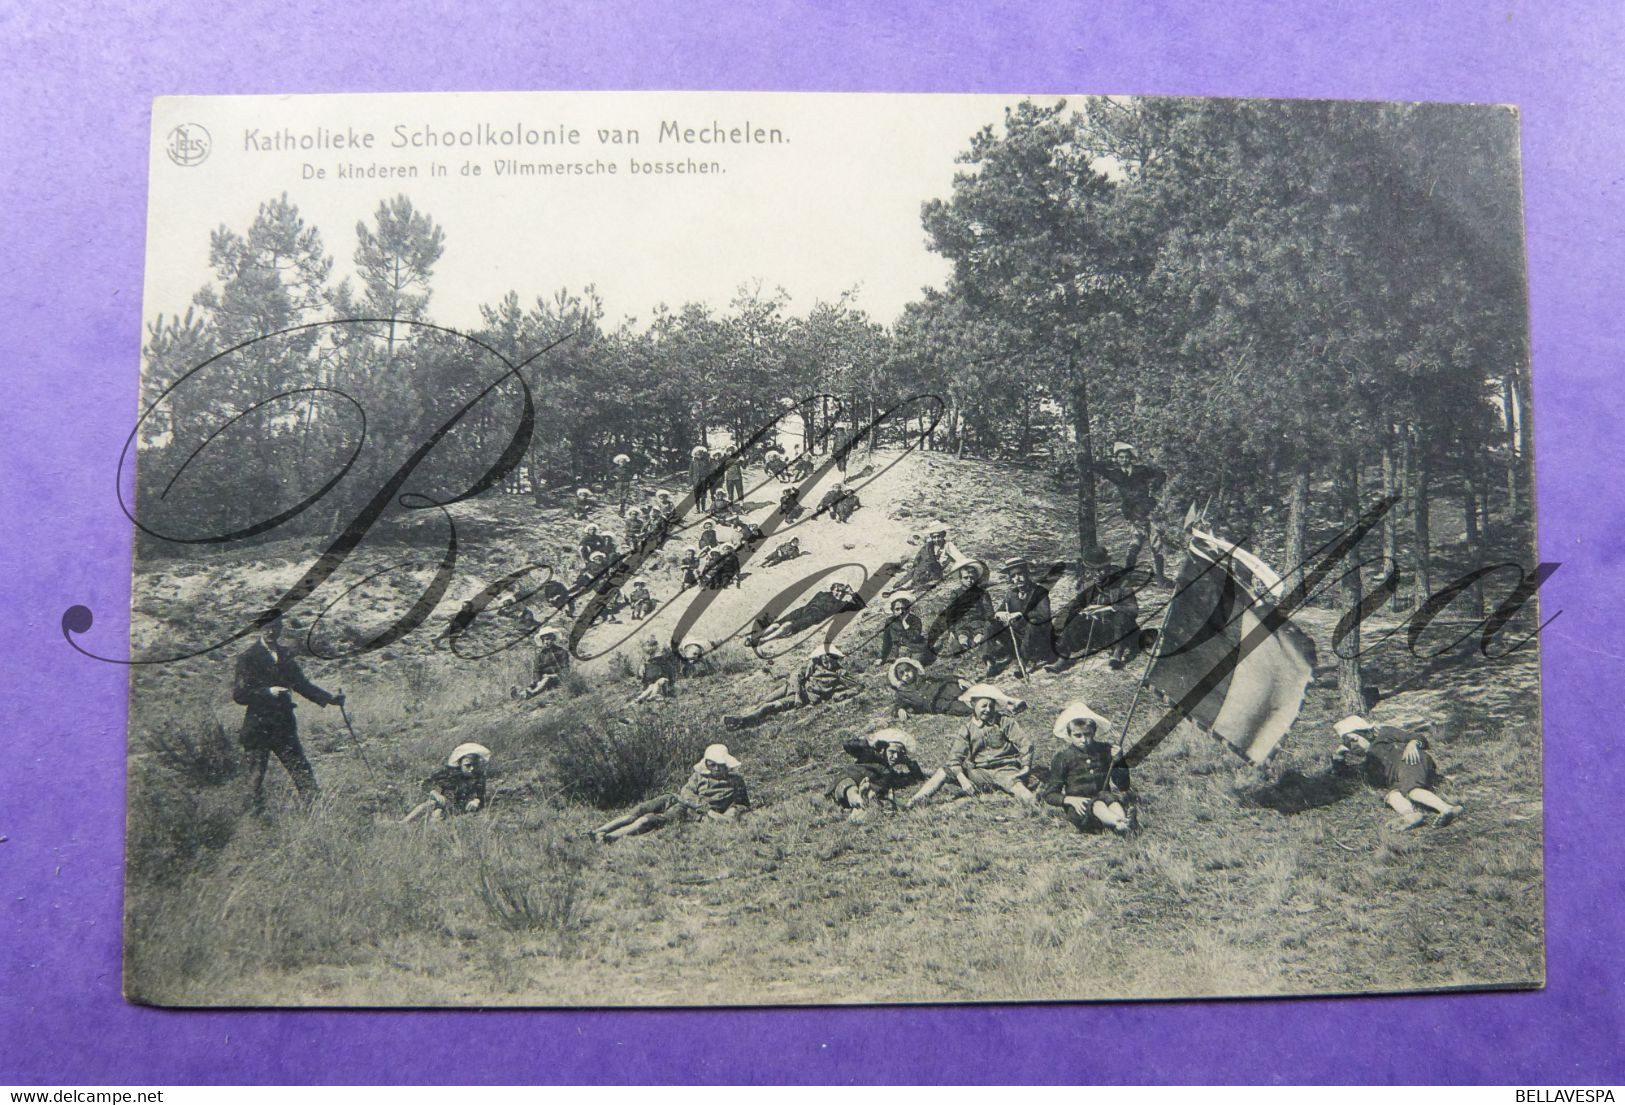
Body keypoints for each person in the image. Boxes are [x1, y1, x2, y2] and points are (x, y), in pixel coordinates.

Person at [232, 613, 344, 810]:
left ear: (281, 628)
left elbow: (301, 684)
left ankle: (317, 813)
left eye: (275, 627)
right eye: (266, 627)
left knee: (302, 771)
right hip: (258, 727)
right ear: (259, 629)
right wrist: (268, 692)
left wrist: (330, 699)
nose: (270, 631)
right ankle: (252, 823)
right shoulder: (247, 658)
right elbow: (240, 695)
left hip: (283, 726)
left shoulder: (285, 655)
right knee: (254, 779)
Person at [907, 684, 1036, 807]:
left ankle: (1037, 805)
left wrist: (1025, 767)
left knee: (1017, 787)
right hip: (980, 773)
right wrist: (963, 780)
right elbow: (954, 758)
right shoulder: (967, 729)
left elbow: (1025, 743)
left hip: (1005, 769)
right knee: (943, 771)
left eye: (991, 706)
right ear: (973, 704)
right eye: (984, 706)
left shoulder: (1004, 722)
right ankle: (914, 801)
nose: (988, 709)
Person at [590, 744, 750, 841]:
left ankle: (609, 838)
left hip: (687, 812)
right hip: (675, 799)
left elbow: (742, 804)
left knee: (647, 820)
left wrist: (726, 814)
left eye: (718, 765)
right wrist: (706, 809)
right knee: (637, 811)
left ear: (725, 765)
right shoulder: (699, 775)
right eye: (710, 764)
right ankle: (598, 830)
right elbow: (686, 792)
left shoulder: (735, 782)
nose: (713, 769)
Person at [1333, 715, 1464, 829]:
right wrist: (1338, 758)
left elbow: (1417, 737)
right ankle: (1410, 815)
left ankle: (1447, 808)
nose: (1354, 745)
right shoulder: (1368, 762)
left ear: (1364, 732)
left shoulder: (1384, 734)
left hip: (1411, 760)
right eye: (1348, 743)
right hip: (1398, 778)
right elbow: (1347, 776)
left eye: (1354, 739)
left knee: (1412, 790)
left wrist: (1412, 745)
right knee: (1392, 796)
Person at [1040, 702, 1135, 835]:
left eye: (1087, 734)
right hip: (1080, 807)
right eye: (1078, 735)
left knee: (1111, 801)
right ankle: (1118, 823)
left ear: (1094, 732)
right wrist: (1070, 800)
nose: (1083, 740)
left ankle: (1124, 822)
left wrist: (1119, 761)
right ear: (1069, 735)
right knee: (1098, 805)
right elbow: (1050, 795)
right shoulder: (1063, 758)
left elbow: (1123, 784)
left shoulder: (1104, 750)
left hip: (1105, 797)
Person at [1048, 547, 1145, 673]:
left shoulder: (1122, 582)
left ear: (1109, 568)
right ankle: (1063, 658)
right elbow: (1076, 605)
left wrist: (1109, 608)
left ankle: (1118, 653)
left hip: (1119, 630)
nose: (1097, 574)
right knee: (1075, 618)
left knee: (1121, 616)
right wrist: (1083, 611)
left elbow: (1133, 610)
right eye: (1093, 571)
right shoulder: (1087, 584)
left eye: (1101, 570)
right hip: (1098, 632)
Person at [724, 644, 861, 729]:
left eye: (831, 658)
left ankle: (743, 721)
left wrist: (843, 694)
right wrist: (797, 695)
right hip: (792, 689)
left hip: (806, 696)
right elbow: (796, 676)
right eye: (824, 657)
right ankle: (745, 716)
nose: (827, 660)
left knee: (770, 707)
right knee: (765, 700)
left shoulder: (839, 673)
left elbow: (858, 686)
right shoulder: (813, 665)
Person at [1093, 442, 1170, 584]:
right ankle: (1127, 577)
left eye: (1126, 457)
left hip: (1149, 509)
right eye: (1120, 457)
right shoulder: (1115, 474)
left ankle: (1160, 578)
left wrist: (1155, 485)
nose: (1124, 460)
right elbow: (1097, 467)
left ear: (1131, 458)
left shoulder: (1141, 470)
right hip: (1132, 513)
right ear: (1116, 458)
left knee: (1156, 543)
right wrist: (1110, 460)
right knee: (1136, 542)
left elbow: (1161, 473)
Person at [828, 728, 928, 818]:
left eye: (899, 754)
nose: (895, 757)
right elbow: (847, 745)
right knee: (850, 789)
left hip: (870, 787)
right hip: (849, 778)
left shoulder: (890, 773)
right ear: (884, 750)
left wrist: (909, 763)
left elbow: (916, 778)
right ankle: (857, 799)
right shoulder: (871, 755)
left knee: (873, 791)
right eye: (892, 752)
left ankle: (862, 800)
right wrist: (868, 743)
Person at [986, 557, 1058, 678]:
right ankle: (990, 661)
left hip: (1039, 638)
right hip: (1019, 637)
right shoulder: (1011, 594)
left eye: (1020, 574)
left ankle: (1024, 662)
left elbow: (1044, 616)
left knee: (1033, 623)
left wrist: (1020, 615)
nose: (1017, 578)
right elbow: (1000, 611)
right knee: (990, 624)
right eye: (1013, 576)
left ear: (1027, 573)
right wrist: (1000, 615)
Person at [925, 558, 998, 666]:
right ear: (960, 579)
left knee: (979, 638)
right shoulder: (956, 594)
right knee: (960, 641)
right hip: (961, 624)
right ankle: (965, 648)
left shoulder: (982, 593)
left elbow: (988, 611)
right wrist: (951, 631)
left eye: (972, 578)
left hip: (978, 622)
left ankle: (979, 650)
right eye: (966, 578)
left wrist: (987, 625)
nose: (969, 580)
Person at [748, 581, 864, 646]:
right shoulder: (821, 594)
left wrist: (852, 593)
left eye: (842, 592)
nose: (840, 594)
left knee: (787, 625)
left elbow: (861, 606)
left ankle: (763, 640)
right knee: (777, 624)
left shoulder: (841, 605)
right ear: (832, 589)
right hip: (803, 610)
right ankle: (757, 636)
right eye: (837, 591)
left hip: (812, 617)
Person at [403, 743, 490, 823]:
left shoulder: (478, 778)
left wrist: (476, 801)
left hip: (462, 808)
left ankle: (430, 832)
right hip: (444, 803)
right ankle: (404, 823)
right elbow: (427, 783)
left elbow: (481, 795)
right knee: (429, 804)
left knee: (437, 815)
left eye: (475, 765)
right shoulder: (449, 774)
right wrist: (435, 793)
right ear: (460, 764)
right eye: (467, 765)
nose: (472, 769)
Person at [884, 522, 966, 596]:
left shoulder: (948, 545)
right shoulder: (928, 546)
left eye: (939, 536)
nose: (936, 539)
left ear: (943, 535)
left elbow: (961, 559)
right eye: (934, 537)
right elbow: (918, 562)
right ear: (931, 537)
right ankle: (896, 589)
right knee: (911, 578)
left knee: (914, 589)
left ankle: (906, 589)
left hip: (935, 575)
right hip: (923, 572)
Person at [888, 657, 972, 719]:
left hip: (945, 689)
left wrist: (958, 680)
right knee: (963, 708)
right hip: (937, 704)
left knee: (971, 693)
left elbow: (944, 677)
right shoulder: (903, 693)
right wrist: (900, 710)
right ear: (898, 677)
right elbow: (896, 706)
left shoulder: (925, 677)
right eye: (901, 673)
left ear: (914, 669)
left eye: (907, 670)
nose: (906, 674)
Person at [514, 627, 571, 699]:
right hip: (543, 679)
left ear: (553, 638)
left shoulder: (562, 652)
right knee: (534, 683)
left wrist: (552, 675)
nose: (546, 642)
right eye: (543, 640)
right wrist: (537, 681)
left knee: (547, 679)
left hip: (558, 678)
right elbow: (537, 670)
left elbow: (565, 669)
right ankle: (520, 695)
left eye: (548, 639)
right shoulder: (541, 655)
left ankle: (533, 693)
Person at [878, 592, 932, 665]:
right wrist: (882, 658)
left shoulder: (915, 620)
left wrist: (904, 623)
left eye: (903, 608)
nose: (901, 612)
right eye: (897, 609)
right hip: (898, 653)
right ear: (892, 610)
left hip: (915, 650)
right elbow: (886, 642)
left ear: (908, 609)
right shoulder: (890, 621)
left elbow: (914, 638)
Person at [632, 635, 683, 702]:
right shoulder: (649, 665)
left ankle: (652, 696)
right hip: (655, 685)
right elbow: (645, 679)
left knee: (660, 681)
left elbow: (671, 678)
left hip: (666, 686)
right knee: (651, 686)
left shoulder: (667, 665)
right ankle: (641, 697)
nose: (656, 661)